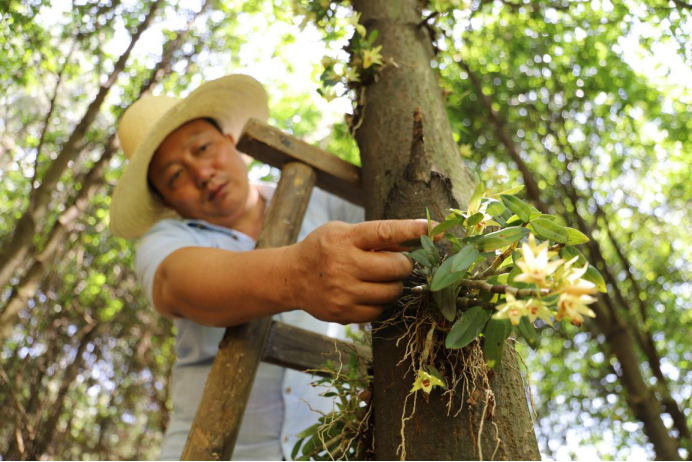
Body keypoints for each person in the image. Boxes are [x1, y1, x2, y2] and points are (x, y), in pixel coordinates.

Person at [109, 74, 436, 461]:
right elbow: (178, 282)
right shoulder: (164, 242)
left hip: (327, 450)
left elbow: (409, 220)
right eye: (175, 175)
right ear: (166, 199)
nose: (201, 174)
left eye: (202, 148)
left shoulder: (322, 199)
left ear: (231, 142)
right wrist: (297, 274)